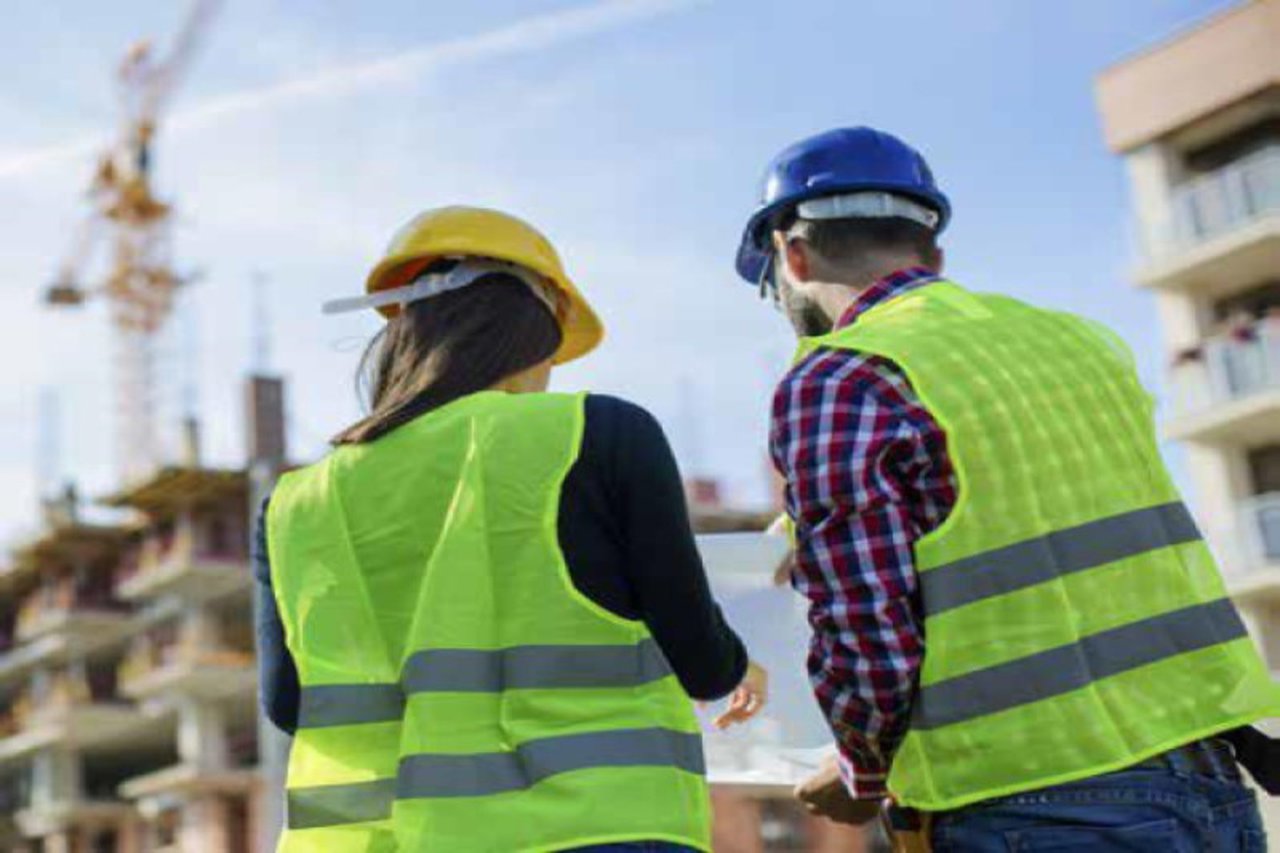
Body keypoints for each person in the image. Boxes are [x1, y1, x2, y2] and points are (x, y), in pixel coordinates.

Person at [735, 127, 1280, 851]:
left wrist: (860, 771)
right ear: (933, 251)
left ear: (791, 254)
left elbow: (867, 623)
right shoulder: (1082, 342)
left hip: (1036, 799)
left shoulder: (839, 377)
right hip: (1205, 770)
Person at [255, 205, 767, 852]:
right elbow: (700, 658)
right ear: (535, 329)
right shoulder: (597, 433)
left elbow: (290, 704)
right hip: (590, 829)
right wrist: (738, 664)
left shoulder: (295, 502)